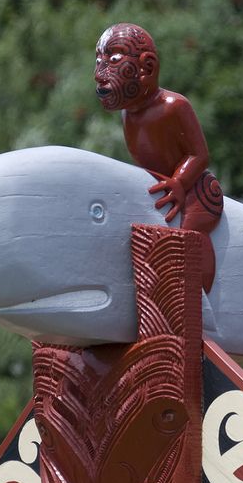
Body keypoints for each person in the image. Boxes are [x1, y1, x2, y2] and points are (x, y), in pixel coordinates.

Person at [94, 22, 222, 292]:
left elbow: (199, 154)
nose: (99, 74)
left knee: (188, 236)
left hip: (195, 191)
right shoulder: (128, 113)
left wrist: (180, 181)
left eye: (113, 60)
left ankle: (197, 299)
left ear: (147, 68)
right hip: (160, 192)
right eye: (98, 61)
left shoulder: (174, 107)